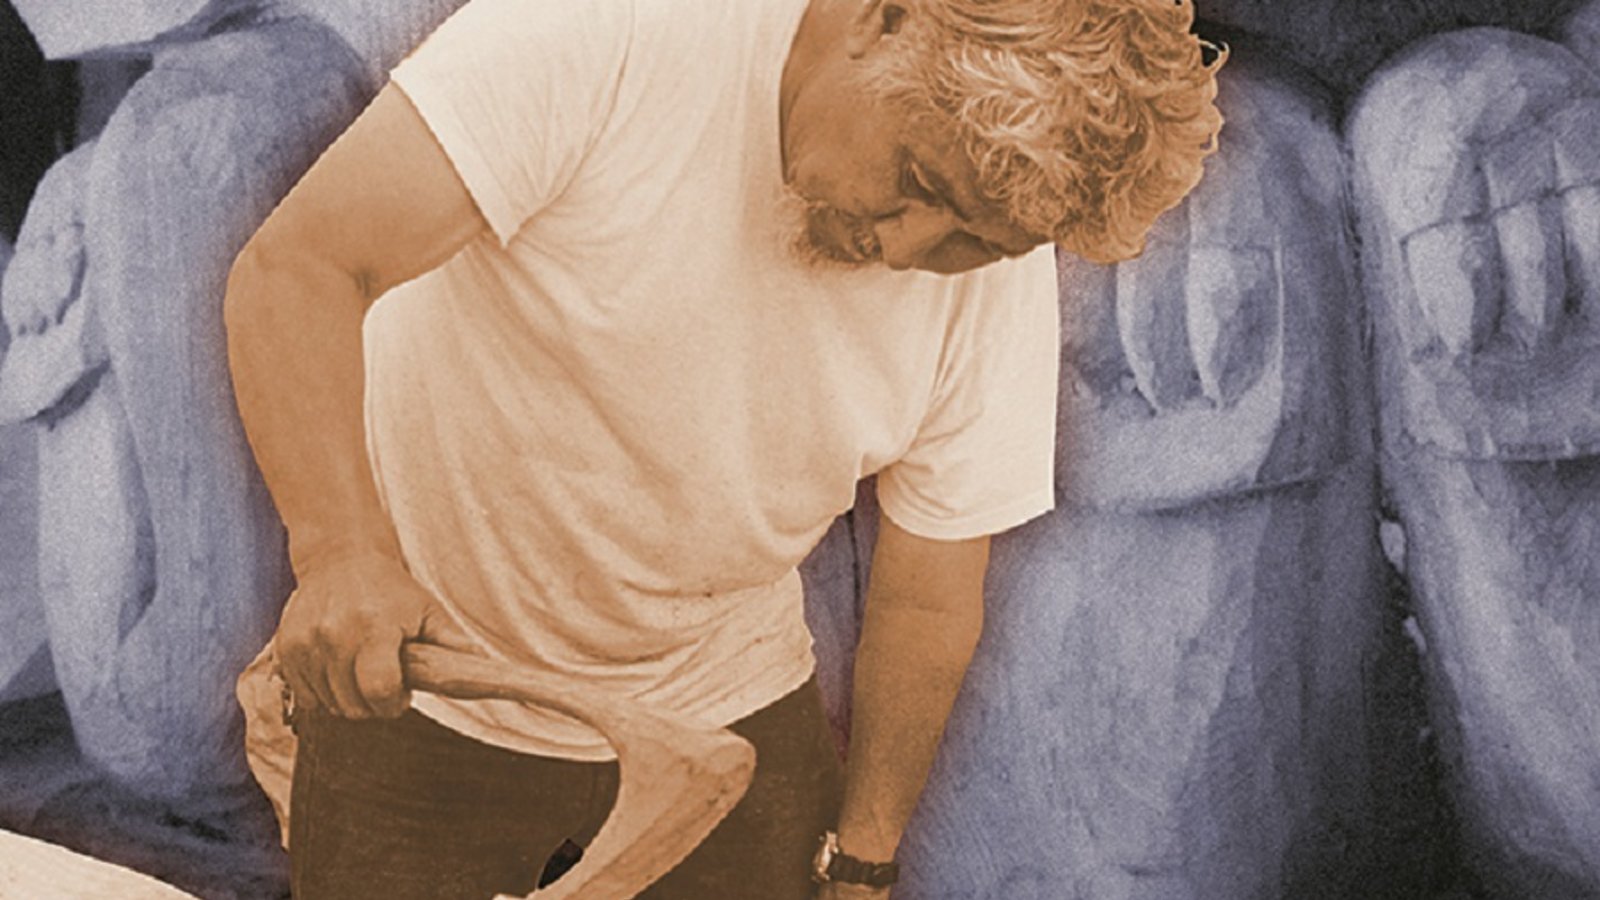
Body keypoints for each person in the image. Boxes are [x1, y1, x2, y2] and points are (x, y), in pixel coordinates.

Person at [223, 0, 1224, 896]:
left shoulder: (993, 257)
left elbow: (928, 590)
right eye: (916, 179)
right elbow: (303, 266)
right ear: (881, 18)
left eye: (978, 242)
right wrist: (341, 554)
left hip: (725, 713)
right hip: (426, 688)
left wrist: (863, 860)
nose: (909, 250)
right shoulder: (607, 30)